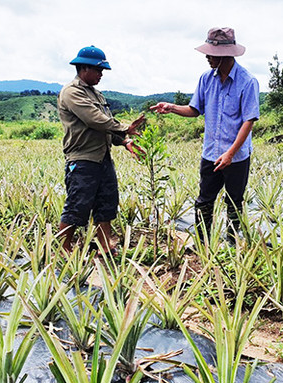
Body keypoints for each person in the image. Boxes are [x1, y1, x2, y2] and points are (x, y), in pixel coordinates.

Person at [150, 27, 260, 242]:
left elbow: (249, 122)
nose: (207, 57)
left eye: (212, 54)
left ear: (226, 54)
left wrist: (230, 154)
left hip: (236, 157)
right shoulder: (206, 79)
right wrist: (171, 107)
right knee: (204, 201)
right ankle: (203, 243)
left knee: (234, 201)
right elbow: (194, 110)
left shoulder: (247, 81)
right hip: (211, 153)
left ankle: (232, 243)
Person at [57, 45, 145, 254]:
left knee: (107, 203)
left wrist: (124, 141)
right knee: (77, 205)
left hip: (102, 157)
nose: (101, 75)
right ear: (84, 68)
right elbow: (95, 120)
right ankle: (63, 249)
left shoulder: (96, 94)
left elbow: (105, 128)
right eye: (98, 70)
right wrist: (125, 128)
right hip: (83, 158)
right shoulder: (72, 92)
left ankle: (105, 246)